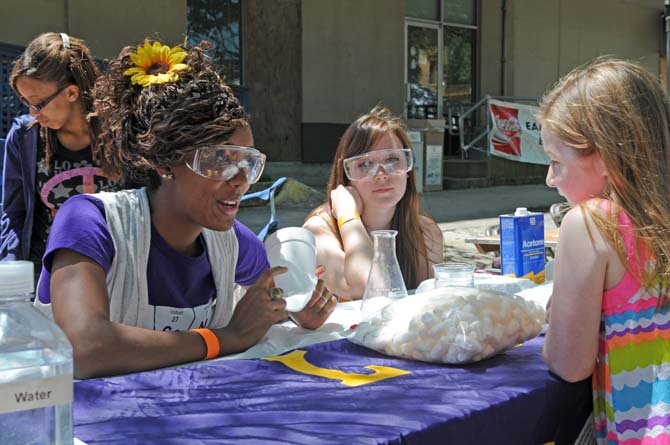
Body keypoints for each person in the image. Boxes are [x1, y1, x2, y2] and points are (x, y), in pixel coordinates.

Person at [34, 39, 335, 379]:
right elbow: (84, 347)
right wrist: (225, 338)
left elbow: (271, 293)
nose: (241, 180)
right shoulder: (91, 223)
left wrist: (295, 308)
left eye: (249, 162)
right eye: (220, 160)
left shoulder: (231, 243)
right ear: (165, 163)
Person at [539, 58, 670, 444]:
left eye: (556, 162)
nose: (550, 179)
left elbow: (569, 364)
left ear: (604, 158)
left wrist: (558, 320)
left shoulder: (592, 223)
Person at [1, 32, 121, 278]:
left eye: (38, 102)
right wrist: (11, 270)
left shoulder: (122, 134)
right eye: (25, 102)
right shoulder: (25, 137)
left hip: (117, 274)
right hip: (46, 277)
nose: (33, 113)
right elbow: (14, 214)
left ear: (72, 92)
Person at [303, 106, 444, 299]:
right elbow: (368, 290)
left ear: (408, 167)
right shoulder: (318, 231)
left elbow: (428, 303)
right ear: (346, 174)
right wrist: (348, 218)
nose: (381, 175)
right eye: (365, 164)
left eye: (393, 159)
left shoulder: (426, 233)